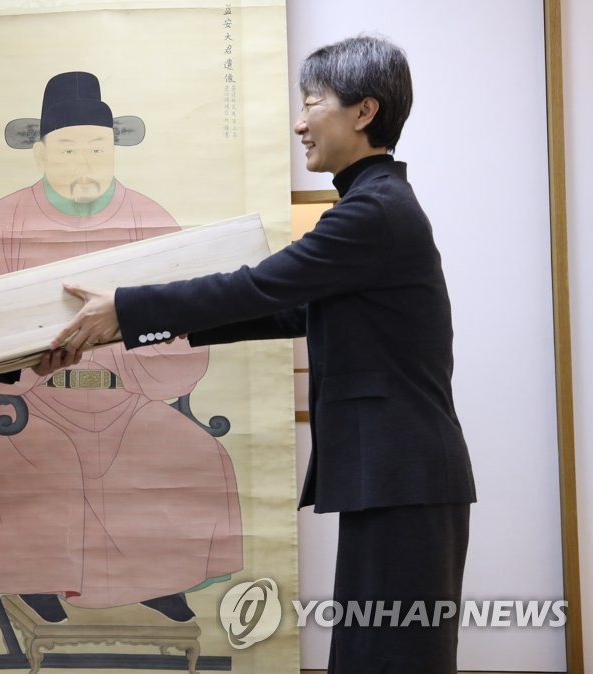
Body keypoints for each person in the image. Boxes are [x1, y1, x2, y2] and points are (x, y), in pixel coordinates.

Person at [54, 38, 477, 673]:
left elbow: (258, 286)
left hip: (404, 475)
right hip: (400, 476)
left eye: (312, 103)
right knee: (375, 653)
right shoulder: (373, 206)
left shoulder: (372, 212)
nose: (300, 124)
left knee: (390, 656)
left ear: (364, 112)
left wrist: (129, 308)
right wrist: (134, 325)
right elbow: (290, 310)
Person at [0, 72, 243, 624]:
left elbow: (184, 319)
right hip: (29, 403)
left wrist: (128, 361)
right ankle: (37, 578)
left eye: (96, 149)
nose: (84, 163)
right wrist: (31, 368)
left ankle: (156, 579)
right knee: (50, 460)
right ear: (41, 153)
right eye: (68, 149)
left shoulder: (149, 219)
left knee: (191, 453)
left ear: (114, 150)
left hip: (126, 398)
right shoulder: (2, 221)